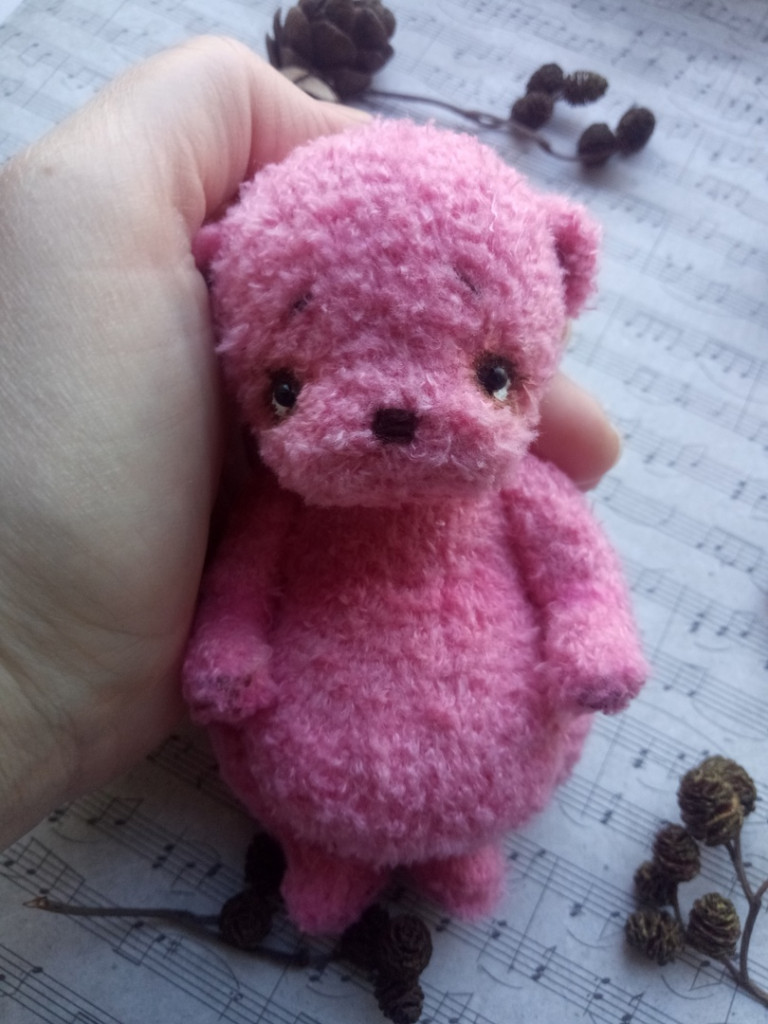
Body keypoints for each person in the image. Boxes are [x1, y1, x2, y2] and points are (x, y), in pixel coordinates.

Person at [0, 37, 621, 850]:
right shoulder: (278, 510)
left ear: (566, 270)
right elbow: (237, 593)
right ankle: (339, 860)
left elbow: (577, 575)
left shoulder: (519, 493)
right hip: (303, 770)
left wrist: (592, 637)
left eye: (491, 377)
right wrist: (216, 648)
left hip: (512, 751)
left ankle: (438, 857)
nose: (397, 415)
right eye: (289, 390)